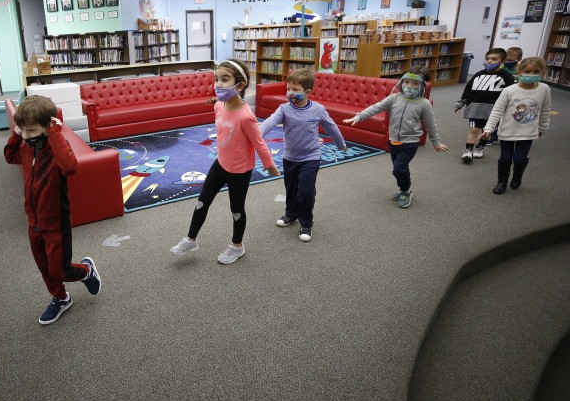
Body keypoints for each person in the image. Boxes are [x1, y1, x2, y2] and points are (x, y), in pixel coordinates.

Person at [170, 59, 280, 263]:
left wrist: (270, 165)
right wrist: (215, 101)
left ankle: (237, 246)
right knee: (202, 201)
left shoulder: (246, 116)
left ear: (240, 85)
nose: (218, 84)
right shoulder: (219, 106)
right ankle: (191, 239)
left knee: (236, 210)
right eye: (217, 79)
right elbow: (223, 107)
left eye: (225, 79)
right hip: (220, 164)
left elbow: (259, 143)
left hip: (239, 171)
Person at [4, 96, 101, 325]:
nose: (26, 136)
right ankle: (60, 298)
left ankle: (86, 271)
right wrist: (17, 134)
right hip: (33, 220)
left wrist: (56, 134)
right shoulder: (27, 148)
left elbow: (70, 167)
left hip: (55, 222)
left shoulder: (56, 146)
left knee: (59, 270)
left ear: (47, 127)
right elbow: (10, 156)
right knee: (44, 267)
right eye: (23, 130)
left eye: (31, 130)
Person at [260, 69, 346, 242]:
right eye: (288, 89)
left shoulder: (317, 109)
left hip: (311, 158)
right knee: (291, 189)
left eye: (295, 90)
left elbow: (331, 127)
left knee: (305, 191)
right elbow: (268, 123)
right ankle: (291, 214)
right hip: (290, 157)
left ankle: (306, 222)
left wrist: (340, 144)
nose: (290, 93)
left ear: (307, 92)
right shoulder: (284, 109)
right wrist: (256, 137)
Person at [344, 70, 448, 208]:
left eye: (415, 83)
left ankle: (405, 191)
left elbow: (431, 124)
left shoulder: (424, 103)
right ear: (401, 82)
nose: (410, 86)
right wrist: (358, 117)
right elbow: (375, 108)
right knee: (400, 168)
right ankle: (403, 189)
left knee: (398, 169)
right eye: (407, 82)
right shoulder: (394, 98)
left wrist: (436, 142)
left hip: (410, 143)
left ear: (422, 85)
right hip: (393, 141)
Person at [480, 57, 551, 194]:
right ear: (519, 72)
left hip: (528, 131)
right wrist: (488, 128)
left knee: (519, 159)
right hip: (507, 130)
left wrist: (542, 127)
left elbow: (545, 109)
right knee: (505, 158)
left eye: (536, 71)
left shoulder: (544, 89)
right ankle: (502, 181)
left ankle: (517, 176)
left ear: (542, 72)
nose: (531, 75)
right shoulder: (509, 90)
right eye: (527, 71)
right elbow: (497, 110)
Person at [454, 48, 516, 162]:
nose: (489, 61)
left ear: (502, 62)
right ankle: (468, 151)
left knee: (486, 131)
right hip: (475, 108)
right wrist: (461, 102)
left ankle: (480, 147)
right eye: (487, 59)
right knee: (473, 129)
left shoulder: (506, 76)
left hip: (493, 110)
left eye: (494, 59)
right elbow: (468, 89)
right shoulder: (478, 74)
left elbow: (512, 92)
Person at [488, 47, 524, 146]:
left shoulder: (521, 70)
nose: (508, 62)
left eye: (511, 60)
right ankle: (493, 136)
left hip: (515, 97)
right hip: (500, 95)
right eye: (507, 59)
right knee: (497, 116)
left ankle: (511, 135)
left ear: (519, 59)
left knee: (510, 117)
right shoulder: (502, 67)